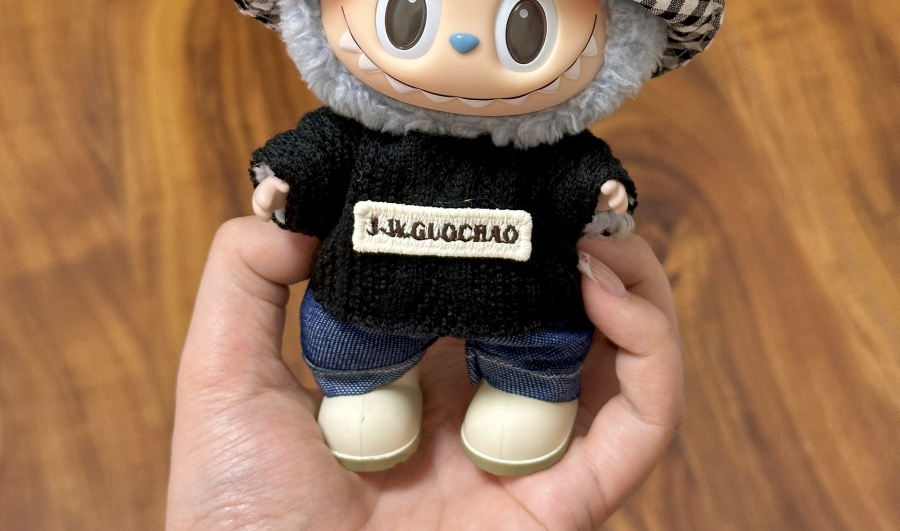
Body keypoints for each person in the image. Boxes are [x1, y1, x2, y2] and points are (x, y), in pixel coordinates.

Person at [166, 214, 684, 530]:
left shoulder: (551, 151)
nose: (464, 60)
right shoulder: (354, 136)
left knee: (538, 329)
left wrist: (601, 196)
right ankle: (367, 384)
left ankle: (528, 386)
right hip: (372, 305)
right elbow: (317, 158)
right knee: (358, 341)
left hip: (517, 306)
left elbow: (579, 179)